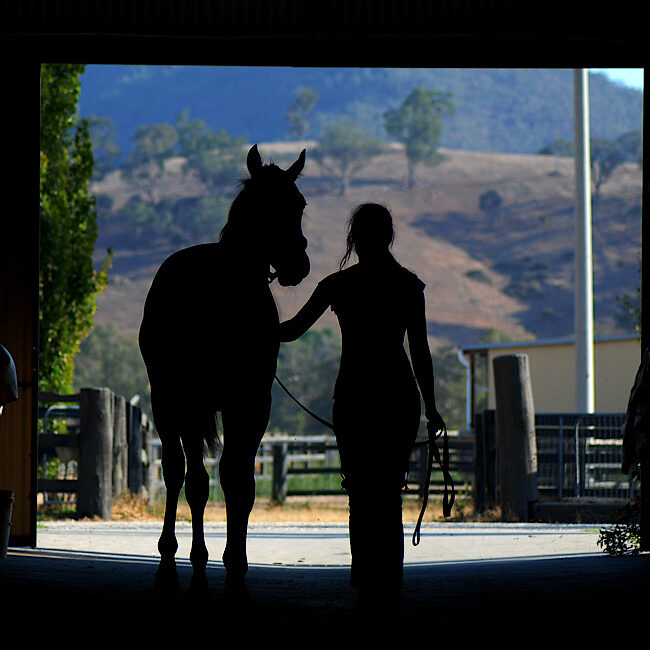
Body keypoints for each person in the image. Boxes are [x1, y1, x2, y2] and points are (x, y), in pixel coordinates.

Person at [279, 203, 445, 601]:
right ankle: (389, 578)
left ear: (354, 237)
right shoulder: (408, 285)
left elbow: (291, 331)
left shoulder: (338, 285)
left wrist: (250, 328)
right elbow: (419, 352)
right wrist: (432, 406)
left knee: (360, 490)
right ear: (389, 236)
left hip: (353, 396)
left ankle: (365, 576)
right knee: (388, 490)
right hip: (398, 397)